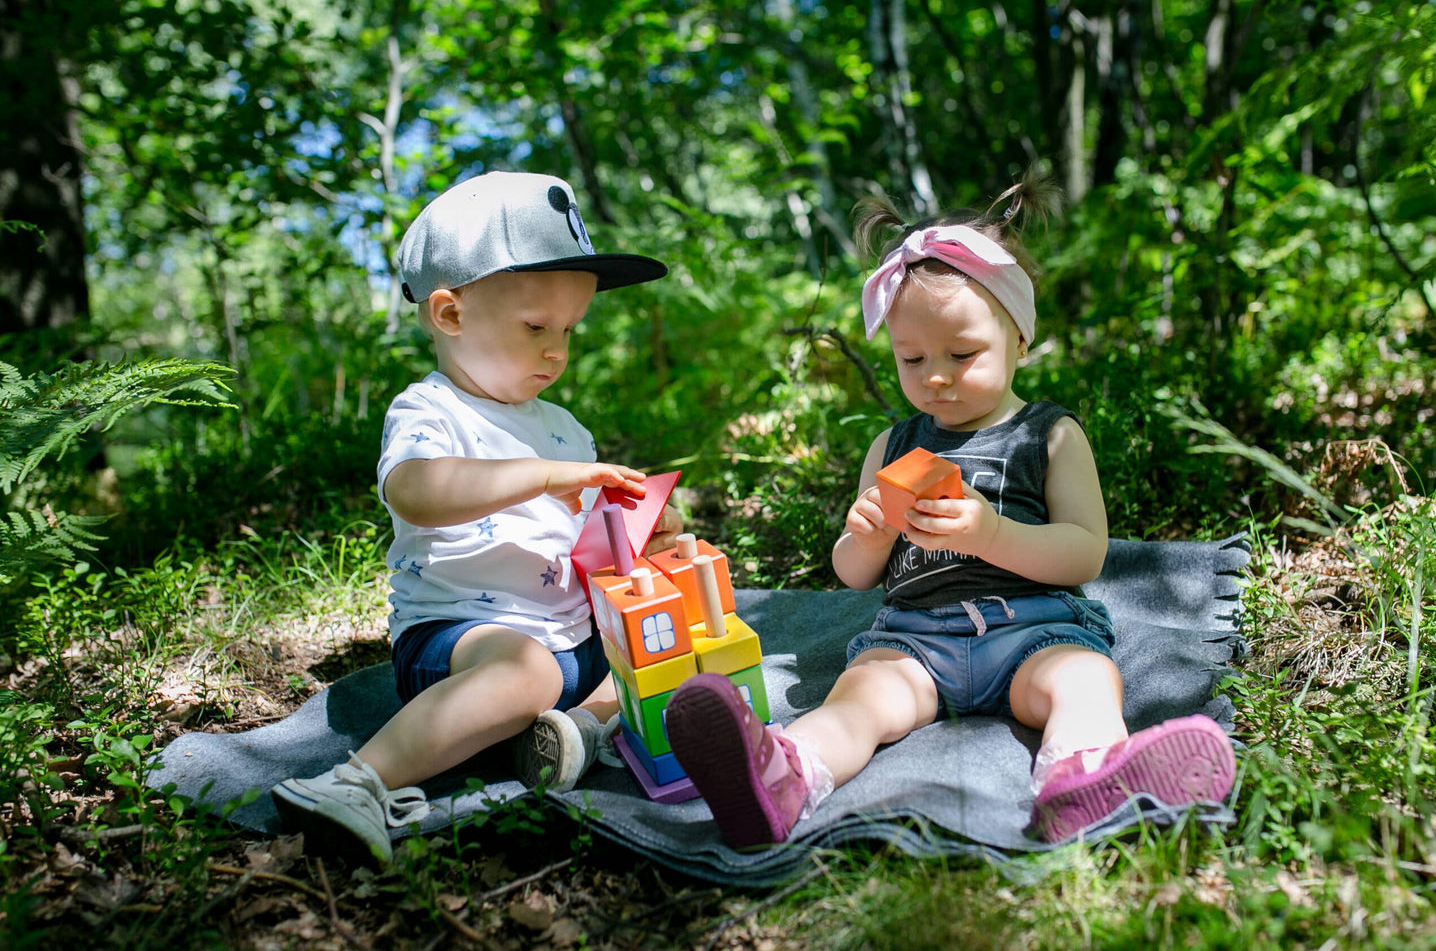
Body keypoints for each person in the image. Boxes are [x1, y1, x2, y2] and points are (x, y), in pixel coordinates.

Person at [665, 169, 1236, 848]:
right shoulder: (892, 442)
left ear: (1018, 340)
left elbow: (1084, 550)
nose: (934, 376)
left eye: (962, 354)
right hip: (915, 638)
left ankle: (1081, 779)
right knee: (861, 696)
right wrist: (866, 533)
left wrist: (990, 532)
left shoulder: (1047, 434)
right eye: (910, 359)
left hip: (1033, 630)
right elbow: (852, 574)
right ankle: (783, 776)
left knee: (1085, 679)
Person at [272, 171, 679, 865]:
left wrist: (640, 534)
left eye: (569, 330)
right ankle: (358, 783)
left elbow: (584, 538)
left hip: (571, 635)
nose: (558, 350)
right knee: (525, 672)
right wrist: (546, 477)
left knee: (670, 630)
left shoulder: (562, 425)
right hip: (464, 638)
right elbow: (417, 491)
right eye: (536, 327)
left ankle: (575, 732)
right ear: (450, 315)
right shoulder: (430, 411)